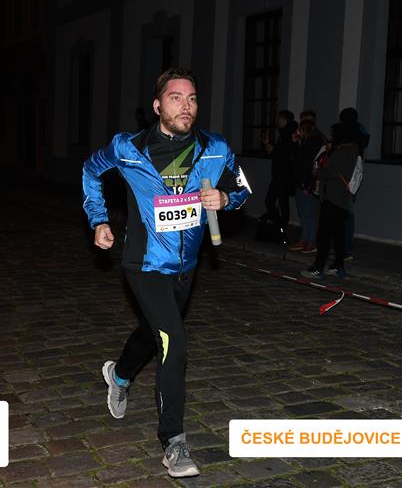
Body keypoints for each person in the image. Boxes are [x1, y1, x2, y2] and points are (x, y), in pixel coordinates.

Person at [82, 68, 250, 478]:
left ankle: (120, 374)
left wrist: (225, 198)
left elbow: (243, 190)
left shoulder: (216, 148)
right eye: (176, 98)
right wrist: (99, 220)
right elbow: (90, 171)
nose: (185, 106)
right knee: (174, 341)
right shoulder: (128, 148)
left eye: (192, 98)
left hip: (186, 266)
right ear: (158, 106)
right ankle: (174, 442)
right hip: (144, 263)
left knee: (153, 331)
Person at [300, 122, 359, 279]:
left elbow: (331, 172)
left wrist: (317, 172)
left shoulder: (342, 151)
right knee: (338, 234)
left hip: (333, 198)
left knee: (324, 235)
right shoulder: (353, 149)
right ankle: (338, 266)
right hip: (343, 198)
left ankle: (318, 267)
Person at [338, 107, 369, 260]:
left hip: (346, 175)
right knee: (347, 212)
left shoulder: (348, 133)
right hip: (355, 173)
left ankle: (345, 249)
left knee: (345, 214)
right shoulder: (361, 130)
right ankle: (345, 248)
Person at [289, 119, 325, 253]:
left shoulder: (310, 144)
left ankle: (311, 241)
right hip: (301, 183)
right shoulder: (304, 143)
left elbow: (306, 167)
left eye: (299, 129)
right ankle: (304, 239)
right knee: (303, 213)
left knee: (309, 214)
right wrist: (295, 143)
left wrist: (306, 185)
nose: (297, 132)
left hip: (306, 184)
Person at [262, 110, 297, 236]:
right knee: (275, 201)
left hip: (284, 174)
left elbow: (280, 153)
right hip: (279, 174)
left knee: (279, 201)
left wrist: (270, 145)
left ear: (284, 119)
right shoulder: (283, 134)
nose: (277, 121)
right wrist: (268, 144)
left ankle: (281, 226)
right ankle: (280, 225)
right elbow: (275, 153)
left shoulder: (288, 134)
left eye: (279, 118)